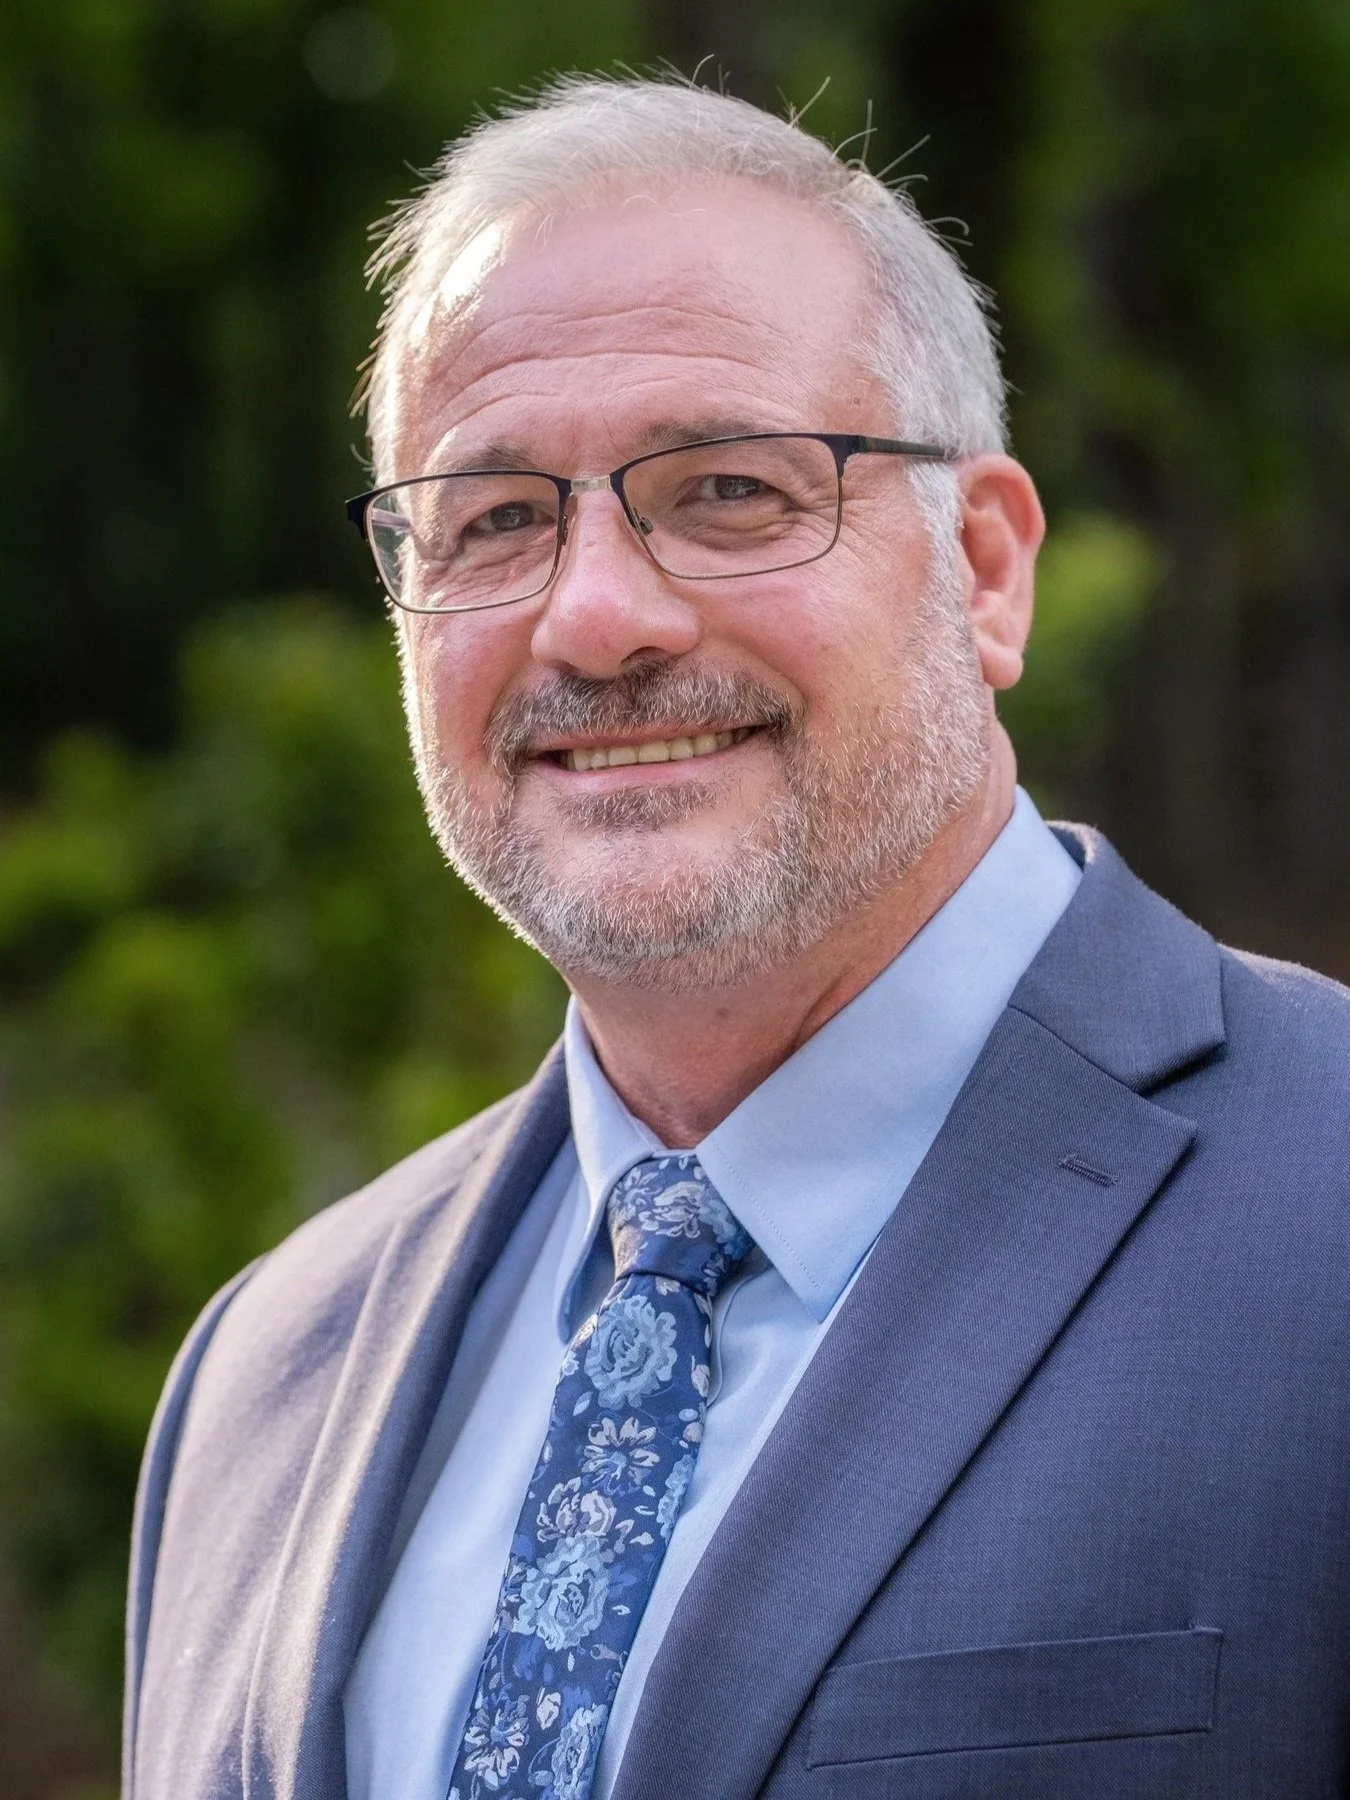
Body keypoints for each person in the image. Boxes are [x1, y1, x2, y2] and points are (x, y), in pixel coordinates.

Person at [123, 76, 1350, 1800]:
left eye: (726, 492)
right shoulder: (263, 1375)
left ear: (983, 570)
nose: (598, 614)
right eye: (492, 518)